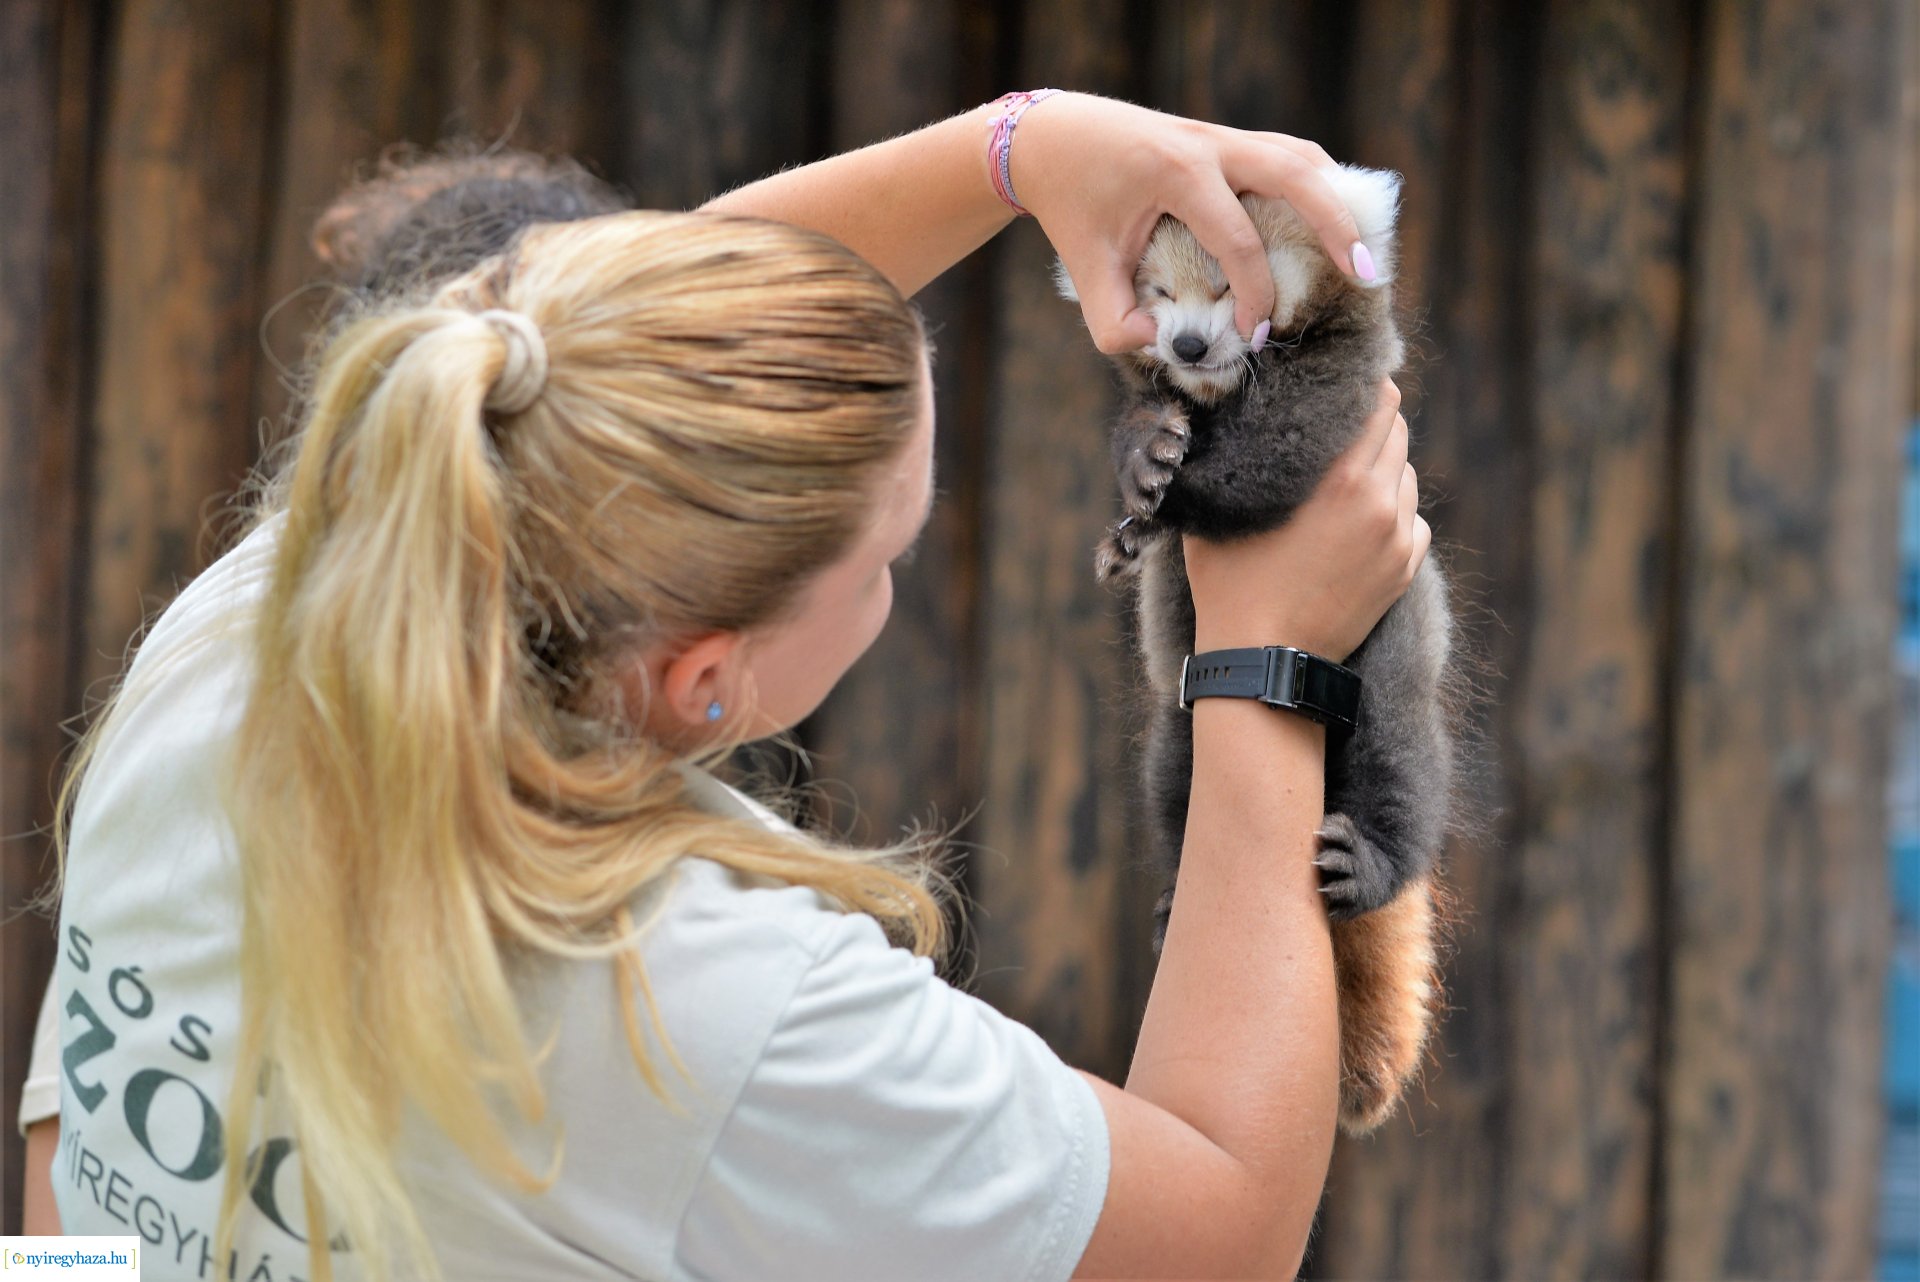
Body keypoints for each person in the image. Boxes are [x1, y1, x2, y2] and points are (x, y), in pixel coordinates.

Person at [20, 92, 1427, 1280]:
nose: (890, 583)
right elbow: (1217, 1232)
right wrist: (1265, 659)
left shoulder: (248, 636)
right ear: (707, 678)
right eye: (884, 561)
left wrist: (1021, 147)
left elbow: (70, 1167)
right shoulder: (705, 1001)